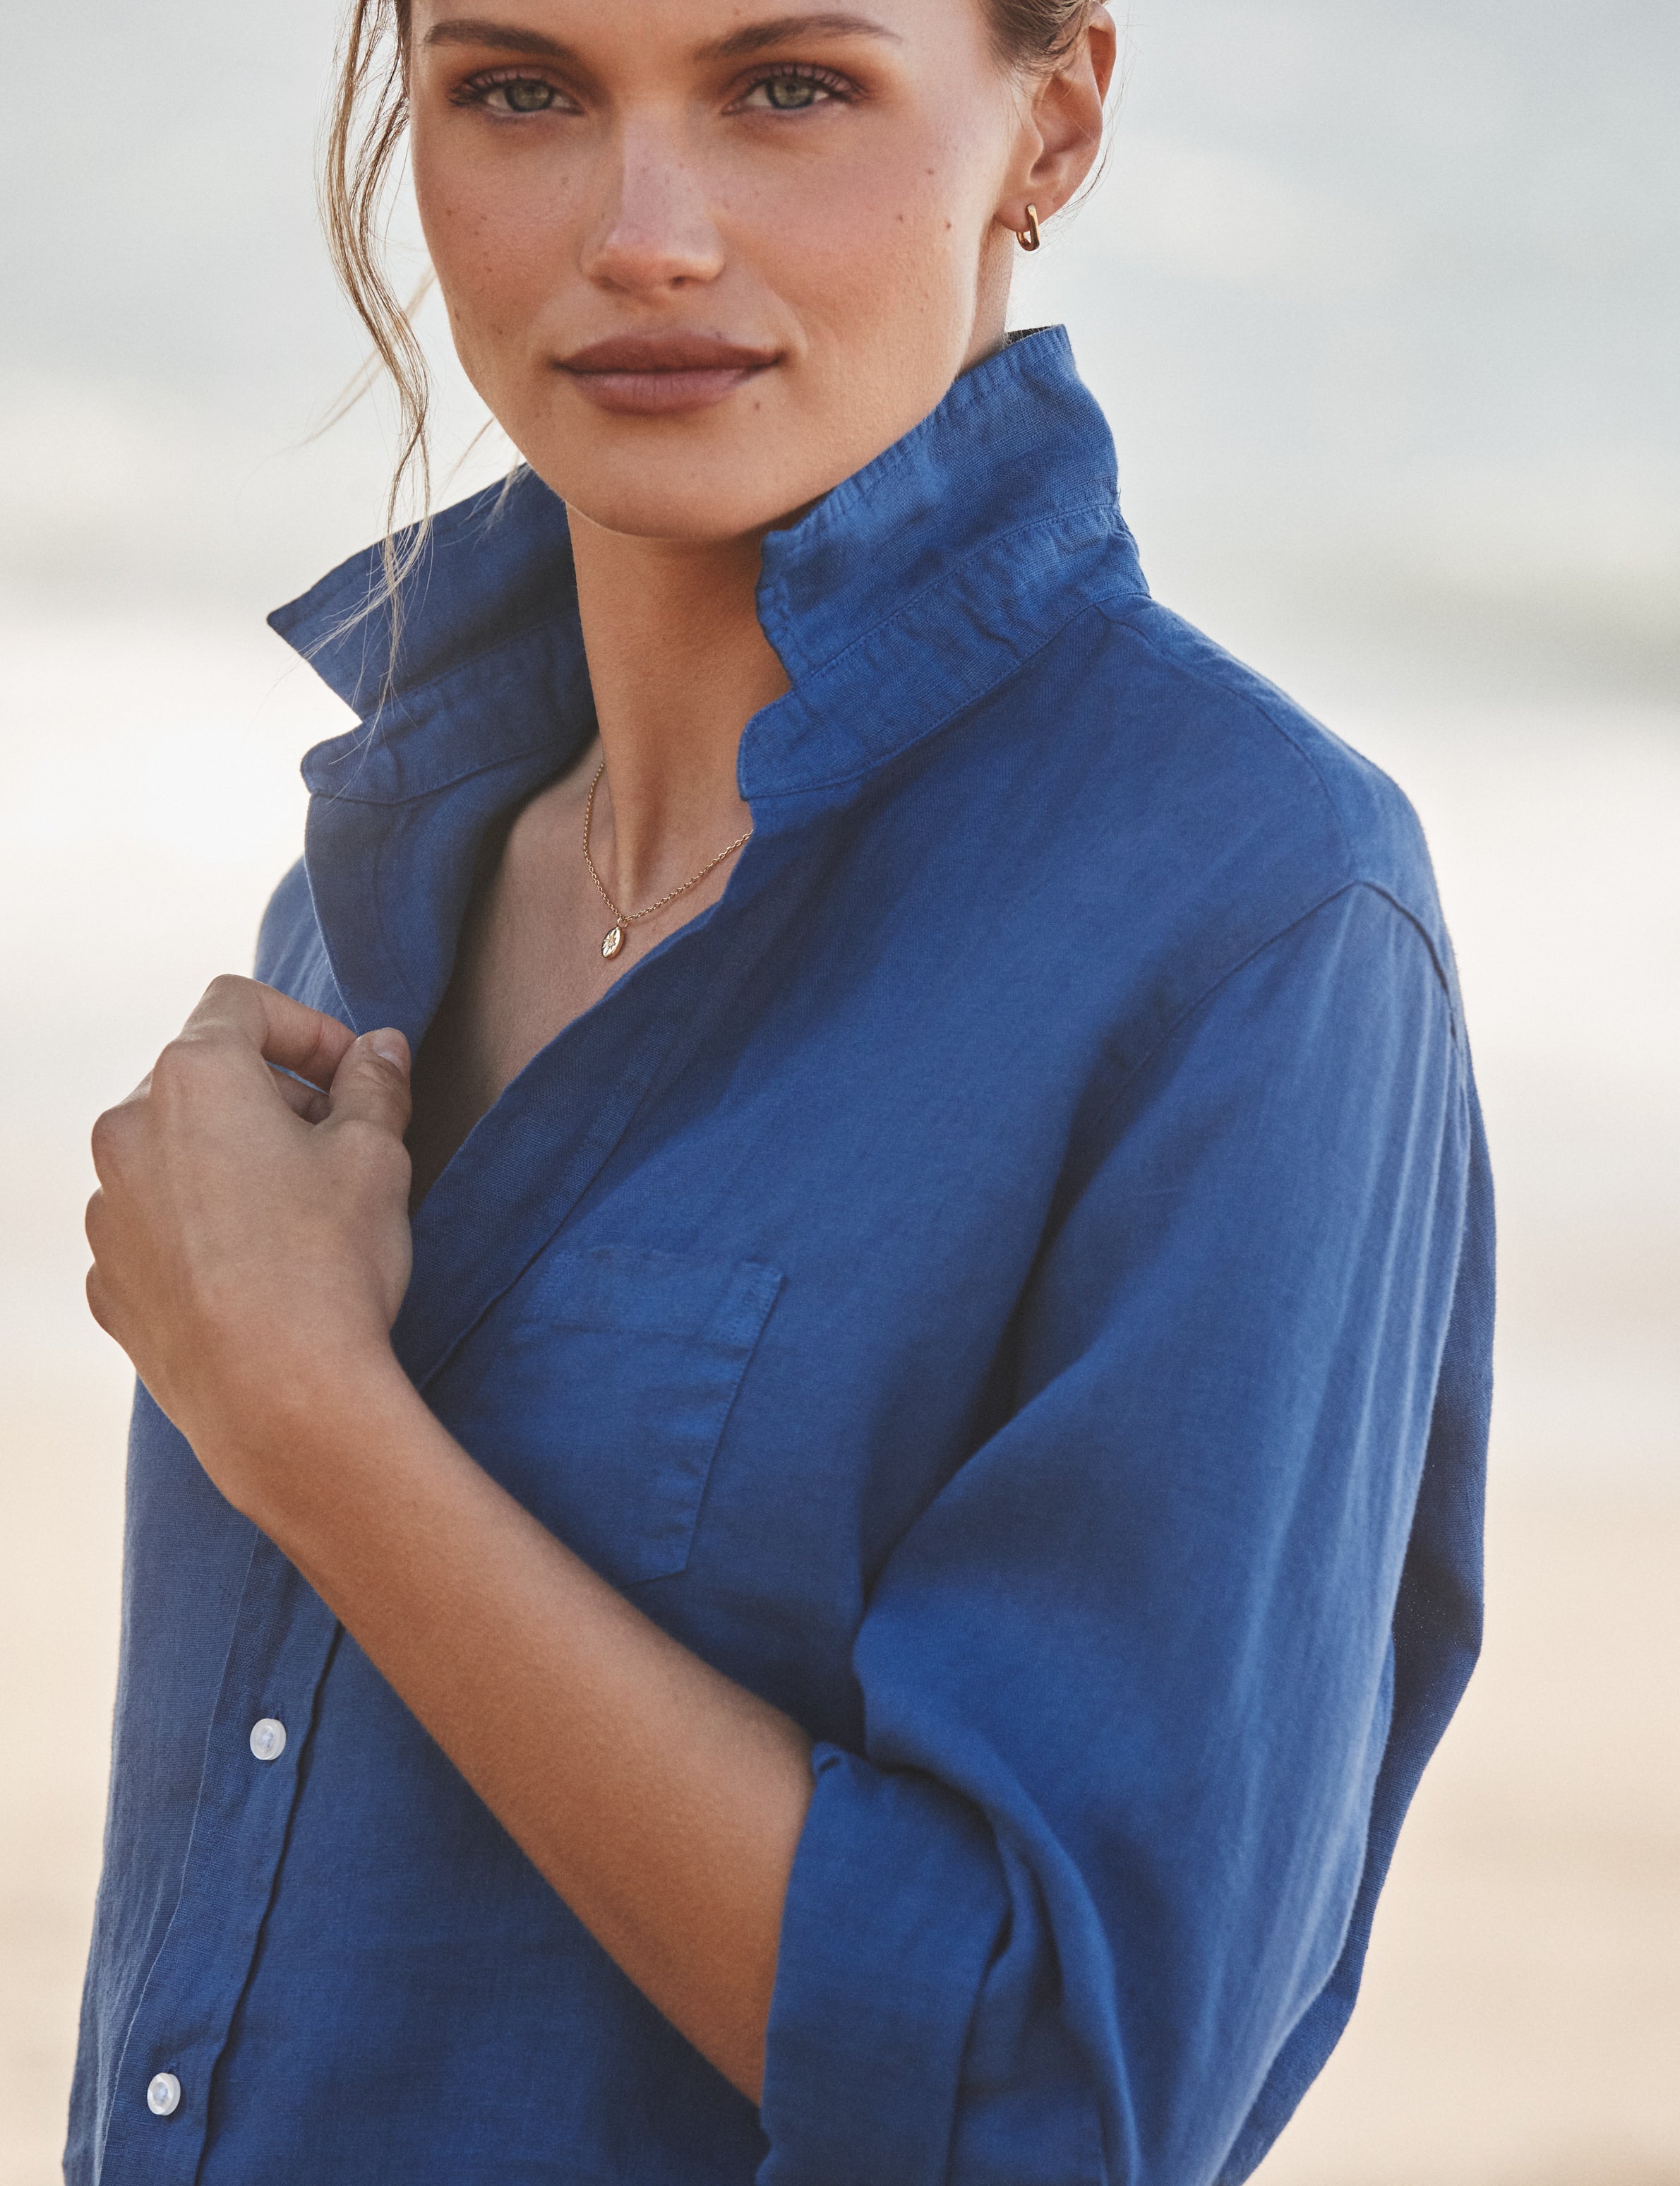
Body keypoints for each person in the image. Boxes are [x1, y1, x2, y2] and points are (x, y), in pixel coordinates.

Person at [71, 1, 1494, 2180]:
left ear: (1054, 119)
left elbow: (1050, 2099)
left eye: (787, 88)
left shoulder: (1250, 920)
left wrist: (315, 1430)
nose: (643, 236)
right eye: (521, 91)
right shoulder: (362, 894)